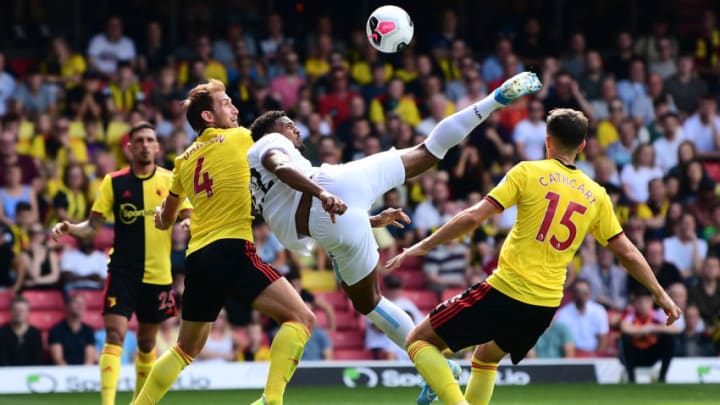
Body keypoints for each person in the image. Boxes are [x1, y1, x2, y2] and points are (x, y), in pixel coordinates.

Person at [386, 108, 681, 405]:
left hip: (506, 290)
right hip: (544, 305)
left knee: (418, 340)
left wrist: (422, 246)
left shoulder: (528, 172)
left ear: (547, 141)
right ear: (582, 146)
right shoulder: (597, 195)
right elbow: (628, 252)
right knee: (486, 356)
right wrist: (660, 294)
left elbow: (475, 216)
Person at [246, 72, 542, 361]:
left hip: (329, 221)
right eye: (288, 125)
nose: (295, 129)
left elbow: (302, 211)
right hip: (331, 186)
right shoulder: (268, 144)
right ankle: (492, 100)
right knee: (428, 151)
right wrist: (323, 194)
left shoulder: (251, 184)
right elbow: (280, 166)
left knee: (369, 302)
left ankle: (434, 362)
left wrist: (368, 219)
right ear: (272, 132)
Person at [136, 79, 315, 405]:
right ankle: (271, 400)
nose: (234, 109)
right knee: (301, 318)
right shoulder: (243, 138)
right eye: (226, 103)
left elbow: (166, 217)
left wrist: (164, 216)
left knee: (184, 349)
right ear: (207, 115)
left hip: (199, 258)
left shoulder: (183, 160)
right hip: (232, 248)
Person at [51, 122, 191, 405]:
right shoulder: (113, 181)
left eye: (150, 139)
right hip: (122, 272)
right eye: (138, 140)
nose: (144, 144)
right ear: (129, 147)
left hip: (158, 274)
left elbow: (188, 213)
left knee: (147, 343)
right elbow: (92, 227)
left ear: (157, 146)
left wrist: (188, 221)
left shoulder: (170, 179)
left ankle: (139, 401)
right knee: (114, 334)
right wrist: (70, 229)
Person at [619, 290, 681, 383]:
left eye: (646, 302)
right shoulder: (631, 314)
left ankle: (662, 377)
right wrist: (644, 329)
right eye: (640, 302)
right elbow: (625, 328)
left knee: (670, 339)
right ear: (635, 303)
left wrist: (653, 328)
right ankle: (631, 377)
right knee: (625, 338)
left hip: (652, 353)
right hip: (635, 354)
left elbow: (676, 329)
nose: (643, 306)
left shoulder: (657, 314)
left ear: (651, 302)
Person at [48, 294, 98, 365]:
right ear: (67, 306)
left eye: (82, 303)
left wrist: (82, 374)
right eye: (76, 303)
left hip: (84, 373)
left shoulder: (88, 331)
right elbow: (58, 360)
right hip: (63, 373)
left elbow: (89, 360)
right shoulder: (56, 330)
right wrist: (71, 374)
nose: (80, 306)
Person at [0, 296, 43, 365]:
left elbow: (37, 360)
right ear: (10, 311)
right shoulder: (2, 333)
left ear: (28, 312)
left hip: (30, 374)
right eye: (16, 310)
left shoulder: (35, 333)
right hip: (7, 373)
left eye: (22, 310)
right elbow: (2, 360)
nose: (19, 313)